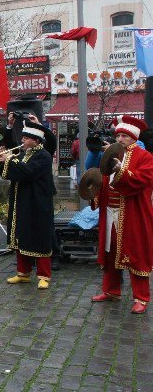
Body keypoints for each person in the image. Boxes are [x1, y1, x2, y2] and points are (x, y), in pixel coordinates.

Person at [90, 116, 153, 314]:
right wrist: (93, 191)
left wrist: (121, 170)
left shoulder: (145, 157)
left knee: (135, 254)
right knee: (110, 252)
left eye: (124, 136)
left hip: (133, 212)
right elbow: (103, 180)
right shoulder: (110, 156)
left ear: (134, 137)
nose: (120, 139)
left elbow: (141, 181)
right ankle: (111, 291)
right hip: (110, 211)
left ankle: (141, 298)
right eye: (118, 136)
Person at [0, 121, 54, 289]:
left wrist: (10, 160)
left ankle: (44, 275)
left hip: (38, 202)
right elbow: (13, 174)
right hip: (22, 200)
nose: (22, 141)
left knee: (39, 237)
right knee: (21, 235)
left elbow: (27, 172)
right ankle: (23, 273)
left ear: (36, 140)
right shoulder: (23, 155)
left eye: (26, 138)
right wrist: (1, 162)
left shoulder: (44, 156)